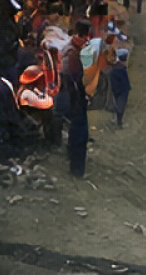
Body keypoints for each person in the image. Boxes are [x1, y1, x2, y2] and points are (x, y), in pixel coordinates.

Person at [62, 19, 92, 178]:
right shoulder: (72, 55)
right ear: (80, 36)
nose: (87, 41)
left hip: (73, 97)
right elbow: (75, 79)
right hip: (75, 99)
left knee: (76, 132)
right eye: (86, 38)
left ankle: (73, 161)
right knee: (80, 133)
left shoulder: (71, 50)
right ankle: (77, 170)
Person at [108, 48, 132, 128]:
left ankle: (115, 120)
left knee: (117, 104)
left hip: (116, 90)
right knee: (121, 106)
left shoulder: (114, 67)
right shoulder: (121, 68)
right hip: (122, 90)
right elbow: (124, 81)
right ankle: (119, 123)